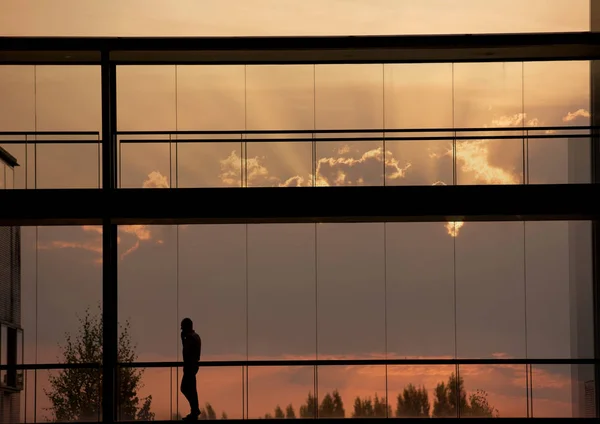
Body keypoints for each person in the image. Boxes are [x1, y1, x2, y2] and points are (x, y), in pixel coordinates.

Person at [180, 317, 202, 421]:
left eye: (182, 327)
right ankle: (194, 410)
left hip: (189, 367)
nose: (182, 330)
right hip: (193, 367)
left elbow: (187, 352)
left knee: (185, 388)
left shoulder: (190, 338)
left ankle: (195, 409)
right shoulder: (196, 337)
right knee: (192, 389)